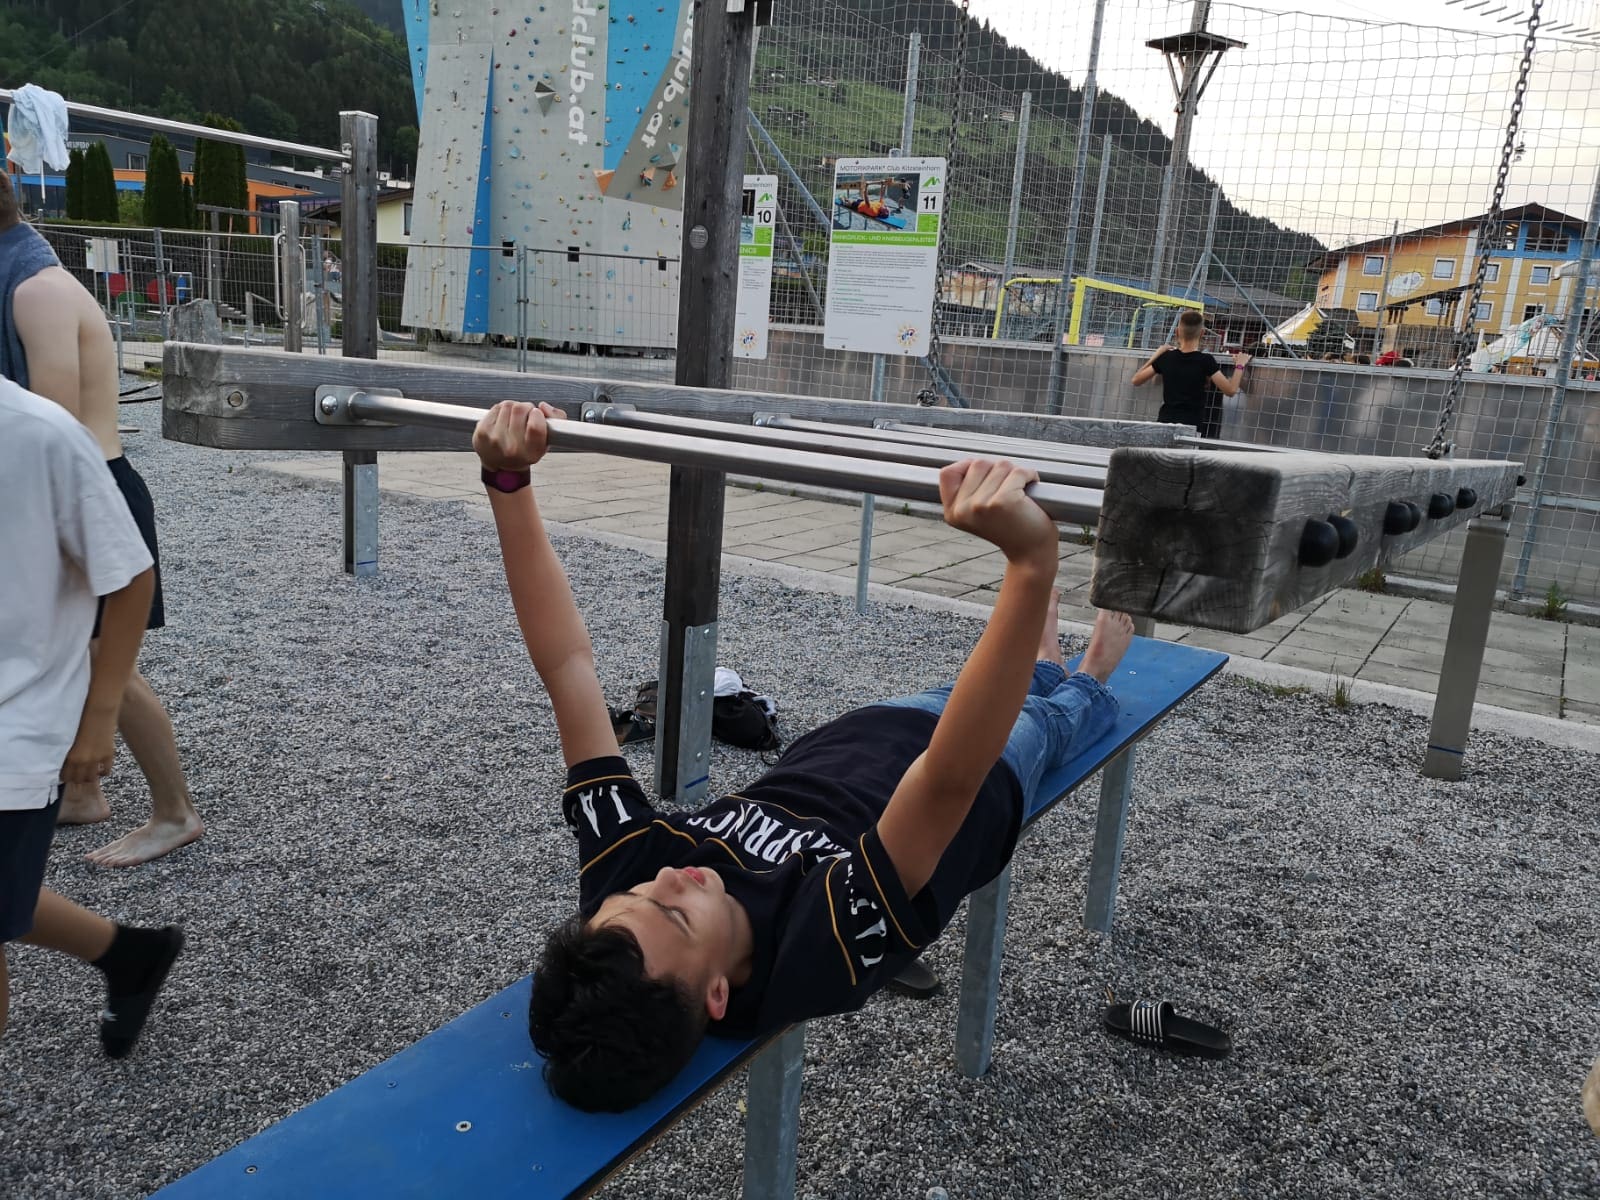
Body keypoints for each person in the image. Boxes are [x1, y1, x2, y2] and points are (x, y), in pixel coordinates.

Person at [471, 401, 1136, 1113]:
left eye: (633, 897)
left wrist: (507, 482)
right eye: (677, 914)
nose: (663, 878)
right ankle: (1093, 674)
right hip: (977, 772)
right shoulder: (814, 952)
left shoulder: (621, 904)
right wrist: (1028, 567)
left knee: (1011, 683)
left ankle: (1044, 660)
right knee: (1052, 722)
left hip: (869, 734)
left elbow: (568, 671)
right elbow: (948, 780)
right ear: (718, 995)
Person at [0, 170, 202, 867]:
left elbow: (48, 430)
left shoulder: (36, 289)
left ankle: (174, 812)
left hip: (90, 487)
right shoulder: (23, 276)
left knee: (97, 654)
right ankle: (80, 792)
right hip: (67, 482)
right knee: (65, 645)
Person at [0, 375, 185, 1057]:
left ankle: (129, 949)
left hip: (15, 729)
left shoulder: (39, 432)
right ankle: (127, 954)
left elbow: (130, 575)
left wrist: (99, 717)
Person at [1130, 309, 1250, 439]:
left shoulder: (1166, 358)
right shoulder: (1206, 361)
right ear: (1202, 333)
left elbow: (1136, 380)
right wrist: (1240, 365)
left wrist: (1156, 355)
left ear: (1177, 332)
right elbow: (1230, 390)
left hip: (1165, 423)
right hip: (1191, 427)